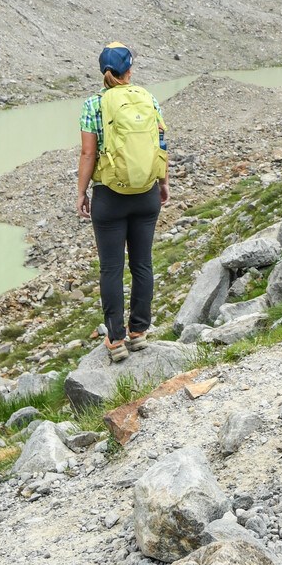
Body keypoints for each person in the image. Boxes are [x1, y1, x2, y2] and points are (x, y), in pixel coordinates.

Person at [78, 42, 169, 362]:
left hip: (109, 197)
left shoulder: (93, 104)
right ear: (129, 69)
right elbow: (160, 143)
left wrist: (81, 192)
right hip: (146, 194)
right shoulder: (148, 98)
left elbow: (88, 153)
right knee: (142, 264)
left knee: (111, 268)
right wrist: (163, 182)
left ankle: (115, 339)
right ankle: (139, 332)